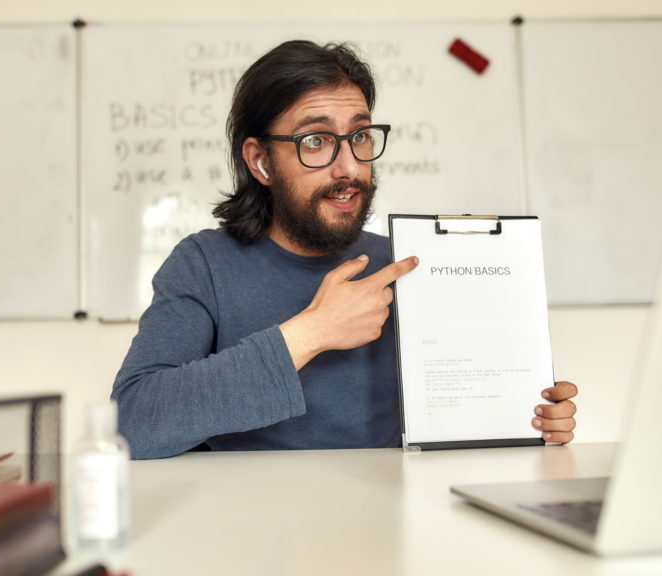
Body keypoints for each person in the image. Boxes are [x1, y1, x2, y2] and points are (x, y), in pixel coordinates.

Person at [111, 40, 578, 460]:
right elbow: (131, 424)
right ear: (260, 161)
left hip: (391, 514)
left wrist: (531, 418)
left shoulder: (409, 264)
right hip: (252, 519)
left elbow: (464, 418)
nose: (349, 168)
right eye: (316, 141)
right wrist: (312, 331)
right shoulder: (202, 264)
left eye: (359, 136)